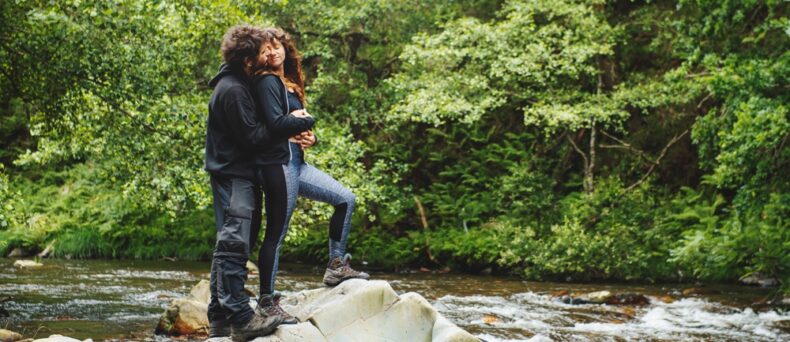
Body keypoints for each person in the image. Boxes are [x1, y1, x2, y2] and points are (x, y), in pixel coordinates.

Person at [250, 27, 369, 322]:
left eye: (277, 46)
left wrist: (311, 138)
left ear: (286, 48)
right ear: (260, 55)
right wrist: (299, 123)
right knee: (276, 234)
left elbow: (295, 124)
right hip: (278, 165)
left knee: (345, 198)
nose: (274, 51)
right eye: (267, 48)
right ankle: (266, 302)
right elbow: (277, 125)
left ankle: (336, 265)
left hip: (299, 165)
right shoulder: (266, 82)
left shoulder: (289, 82)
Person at [204, 25, 283, 341]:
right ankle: (240, 318)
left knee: (230, 242)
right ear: (246, 57)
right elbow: (252, 137)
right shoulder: (234, 90)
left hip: (235, 173)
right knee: (235, 243)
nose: (267, 56)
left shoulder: (235, 83)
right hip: (234, 174)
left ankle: (218, 317)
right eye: (262, 52)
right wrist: (286, 127)